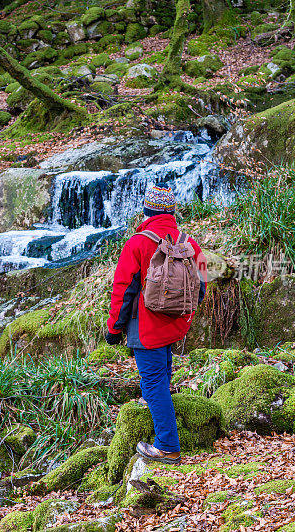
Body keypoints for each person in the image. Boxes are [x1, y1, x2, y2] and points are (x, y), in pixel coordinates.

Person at [105, 185, 206, 465]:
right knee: (162, 366)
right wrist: (185, 316)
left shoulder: (138, 242)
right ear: (172, 211)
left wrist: (114, 329)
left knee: (152, 381)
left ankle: (167, 446)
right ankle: (154, 401)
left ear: (147, 210)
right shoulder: (189, 242)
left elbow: (123, 290)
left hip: (145, 325)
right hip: (174, 322)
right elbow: (203, 282)